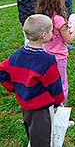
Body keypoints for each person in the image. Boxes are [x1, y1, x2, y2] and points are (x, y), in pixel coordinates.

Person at [0, 14, 64, 147]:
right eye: (51, 30)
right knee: (42, 139)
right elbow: (55, 86)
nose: (52, 33)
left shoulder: (16, 55)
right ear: (44, 35)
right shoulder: (48, 60)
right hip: (41, 109)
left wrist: (15, 88)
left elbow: (2, 71)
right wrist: (58, 102)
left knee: (32, 132)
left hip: (25, 104)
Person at [36, 0, 75, 106]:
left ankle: (47, 108)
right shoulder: (59, 19)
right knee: (61, 85)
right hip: (58, 58)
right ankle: (59, 113)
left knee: (47, 84)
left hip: (44, 56)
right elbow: (69, 39)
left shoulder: (40, 18)